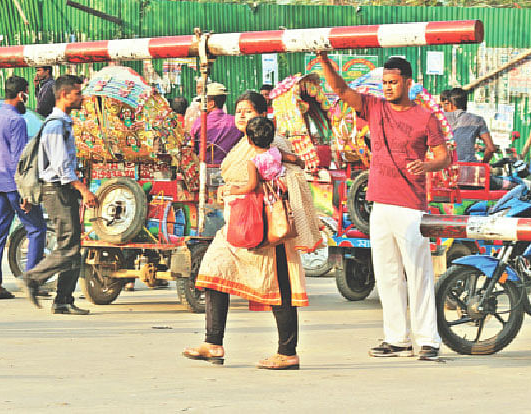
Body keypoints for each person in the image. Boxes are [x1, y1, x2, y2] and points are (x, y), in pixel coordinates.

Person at [319, 52, 450, 361]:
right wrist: (323, 59)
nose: (388, 88)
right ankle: (397, 339)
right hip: (379, 203)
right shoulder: (374, 107)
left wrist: (428, 165)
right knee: (387, 274)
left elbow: (444, 156)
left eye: (393, 83)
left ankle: (428, 340)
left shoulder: (425, 117)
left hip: (410, 205)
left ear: (408, 82)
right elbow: (340, 90)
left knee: (418, 274)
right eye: (385, 83)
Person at [183, 91, 319, 369]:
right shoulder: (241, 144)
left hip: (267, 230)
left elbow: (291, 178)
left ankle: (287, 352)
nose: (242, 115)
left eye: (248, 111)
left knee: (279, 287)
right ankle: (213, 342)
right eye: (238, 110)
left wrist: (256, 189)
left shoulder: (274, 143)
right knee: (213, 270)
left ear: (262, 114)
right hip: (237, 226)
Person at [22, 75, 98, 315]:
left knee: (74, 245)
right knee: (69, 247)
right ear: (64, 95)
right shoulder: (55, 125)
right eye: (77, 93)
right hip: (57, 190)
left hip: (62, 190)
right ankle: (33, 278)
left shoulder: (63, 123)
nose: (81, 97)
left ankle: (63, 300)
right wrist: (83, 189)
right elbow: (60, 166)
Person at [0, 76, 47, 300]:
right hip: (13, 184)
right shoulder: (16, 121)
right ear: (21, 95)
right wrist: (25, 192)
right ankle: (32, 282)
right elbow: (19, 159)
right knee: (37, 228)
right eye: (27, 94)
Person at [190, 83, 242, 164]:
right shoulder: (235, 122)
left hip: (204, 167)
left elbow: (192, 148)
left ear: (211, 104)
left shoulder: (200, 122)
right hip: (228, 167)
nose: (199, 105)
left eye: (201, 102)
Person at [445, 87, 495, 163]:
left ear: (450, 104)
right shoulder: (477, 120)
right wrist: (484, 164)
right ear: (465, 103)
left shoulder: (439, 119)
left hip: (444, 168)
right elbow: (491, 148)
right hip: (469, 167)